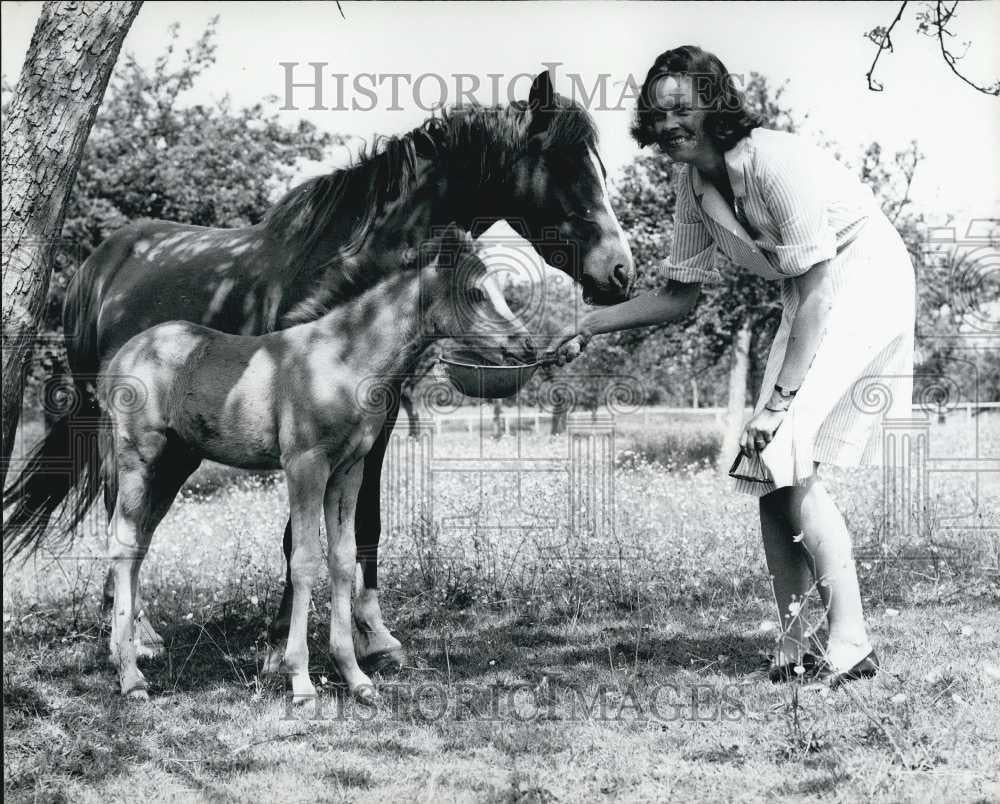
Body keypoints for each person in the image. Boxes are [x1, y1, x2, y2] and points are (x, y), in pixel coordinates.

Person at [551, 45, 915, 685]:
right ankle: (797, 643)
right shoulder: (692, 185)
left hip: (861, 280)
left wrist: (777, 405)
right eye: (656, 115)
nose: (667, 127)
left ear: (715, 106)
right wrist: (587, 324)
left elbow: (823, 290)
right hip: (807, 296)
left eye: (680, 110)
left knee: (788, 448)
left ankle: (851, 641)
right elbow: (680, 295)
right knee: (767, 472)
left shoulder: (774, 162)